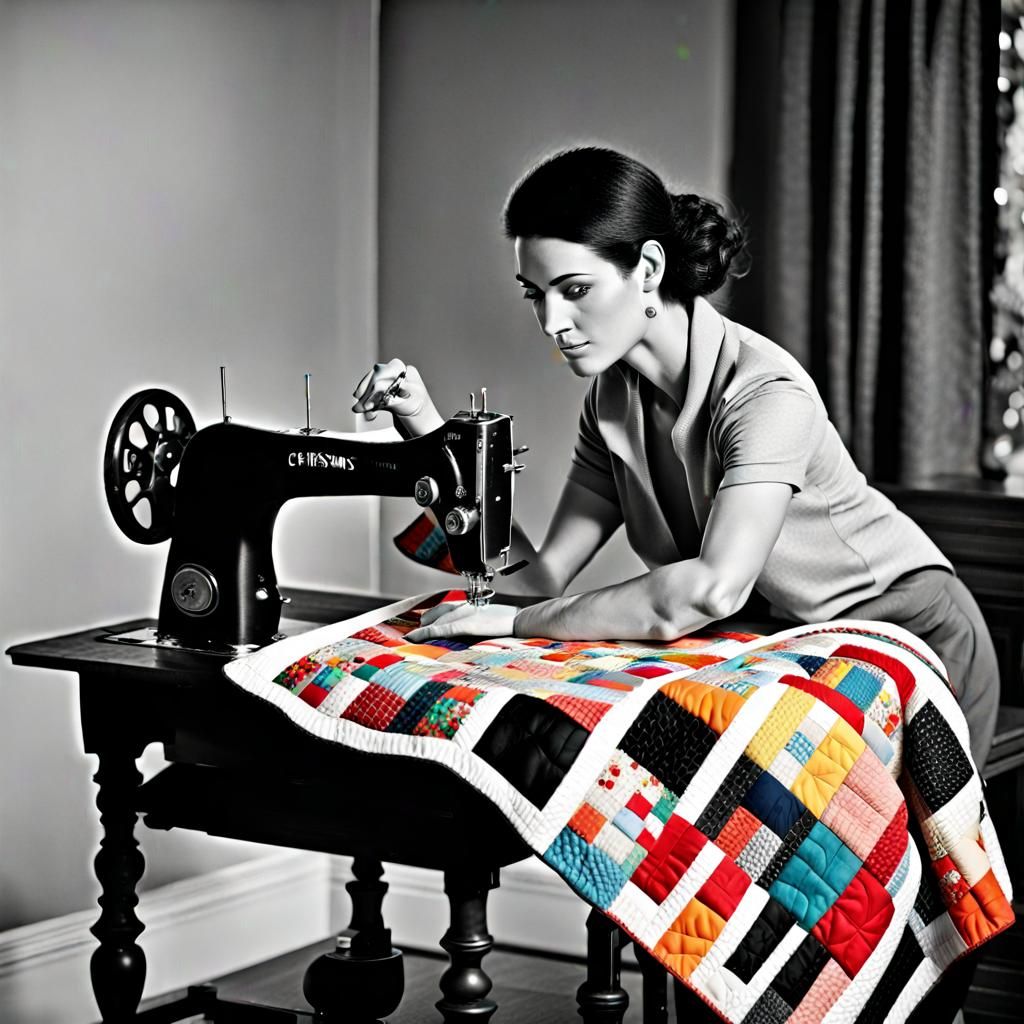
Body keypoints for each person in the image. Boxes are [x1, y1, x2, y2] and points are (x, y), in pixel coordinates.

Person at [351, 146, 999, 774]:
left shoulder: (763, 396)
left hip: (909, 634)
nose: (551, 321)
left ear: (650, 270)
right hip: (788, 648)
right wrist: (428, 433)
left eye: (574, 288)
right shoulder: (611, 400)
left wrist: (515, 622)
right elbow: (542, 576)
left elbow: (713, 587)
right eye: (534, 293)